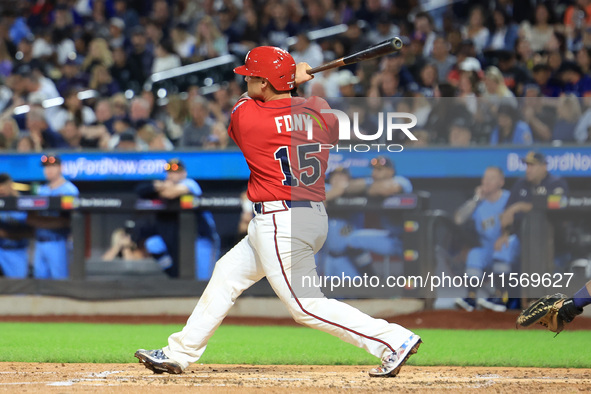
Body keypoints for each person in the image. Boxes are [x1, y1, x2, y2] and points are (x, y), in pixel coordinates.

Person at [135, 46, 421, 378]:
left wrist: (286, 81)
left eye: (254, 78)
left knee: (305, 306)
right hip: (305, 216)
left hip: (281, 221)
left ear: (265, 84)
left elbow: (248, 101)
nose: (249, 82)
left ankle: (393, 340)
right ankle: (179, 352)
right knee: (227, 274)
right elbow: (291, 106)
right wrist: (290, 84)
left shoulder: (250, 117)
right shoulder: (320, 110)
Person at [488, 151, 568, 311]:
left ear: (544, 167)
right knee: (502, 250)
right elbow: (506, 213)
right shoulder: (521, 184)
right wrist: (504, 234)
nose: (528, 169)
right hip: (521, 239)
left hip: (551, 242)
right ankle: (503, 298)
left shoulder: (555, 183)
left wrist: (521, 206)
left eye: (532, 165)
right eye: (527, 165)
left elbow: (559, 204)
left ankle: (537, 302)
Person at [135, 158, 219, 280]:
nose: (172, 175)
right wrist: (161, 186)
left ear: (183, 173)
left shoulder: (190, 183)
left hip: (202, 239)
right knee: (153, 244)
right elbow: (141, 190)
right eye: (169, 172)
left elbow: (170, 193)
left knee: (204, 280)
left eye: (176, 172)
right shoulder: (166, 185)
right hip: (182, 238)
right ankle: (171, 270)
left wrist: (161, 186)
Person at [453, 167, 510, 311]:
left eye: (491, 178)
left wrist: (506, 235)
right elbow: (458, 219)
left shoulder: (508, 198)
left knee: (502, 250)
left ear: (501, 182)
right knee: (474, 254)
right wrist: (476, 199)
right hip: (486, 246)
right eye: (485, 178)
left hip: (506, 243)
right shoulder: (479, 204)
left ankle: (500, 296)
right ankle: (471, 298)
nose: (486, 182)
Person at [26, 155, 79, 279]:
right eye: (46, 167)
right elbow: (30, 219)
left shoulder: (70, 190)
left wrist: (41, 222)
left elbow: (69, 221)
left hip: (59, 242)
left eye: (52, 166)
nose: (48, 170)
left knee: (59, 283)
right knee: (39, 285)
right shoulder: (41, 191)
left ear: (61, 167)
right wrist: (51, 222)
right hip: (39, 243)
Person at [0, 173, 31, 278]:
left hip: (17, 251)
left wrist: (8, 234)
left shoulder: (24, 203)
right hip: (1, 250)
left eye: (3, 185)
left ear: (10, 184)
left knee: (19, 289)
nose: (1, 189)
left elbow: (31, 231)